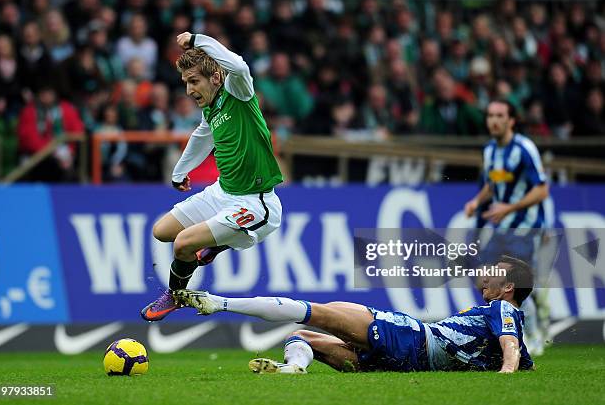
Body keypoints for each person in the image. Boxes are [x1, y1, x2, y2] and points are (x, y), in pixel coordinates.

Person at [173, 256, 534, 374]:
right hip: (408, 363)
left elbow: (511, 347)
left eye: (496, 271)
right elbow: (518, 352)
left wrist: (506, 372)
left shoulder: (503, 309)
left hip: (412, 338)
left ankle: (218, 302)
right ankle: (293, 368)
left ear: (508, 288)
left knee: (318, 315)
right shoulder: (498, 315)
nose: (486, 273)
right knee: (299, 338)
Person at [140, 32, 283, 321]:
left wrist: (196, 39)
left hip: (255, 203)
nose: (190, 90)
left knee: (182, 244)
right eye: (186, 83)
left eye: (194, 81)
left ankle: (176, 294)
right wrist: (180, 172)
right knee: (162, 231)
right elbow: (201, 137)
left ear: (215, 77)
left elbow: (240, 66)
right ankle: (217, 244)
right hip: (222, 192)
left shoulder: (238, 92)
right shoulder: (211, 109)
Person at [463, 99, 550, 355]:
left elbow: (542, 189)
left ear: (511, 120)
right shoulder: (489, 150)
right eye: (490, 115)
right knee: (485, 278)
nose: (494, 120)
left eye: (500, 115)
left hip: (525, 226)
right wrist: (476, 201)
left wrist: (509, 208)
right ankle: (527, 311)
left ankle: (533, 336)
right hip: (502, 228)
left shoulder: (524, 148)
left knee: (514, 283)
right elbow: (493, 183)